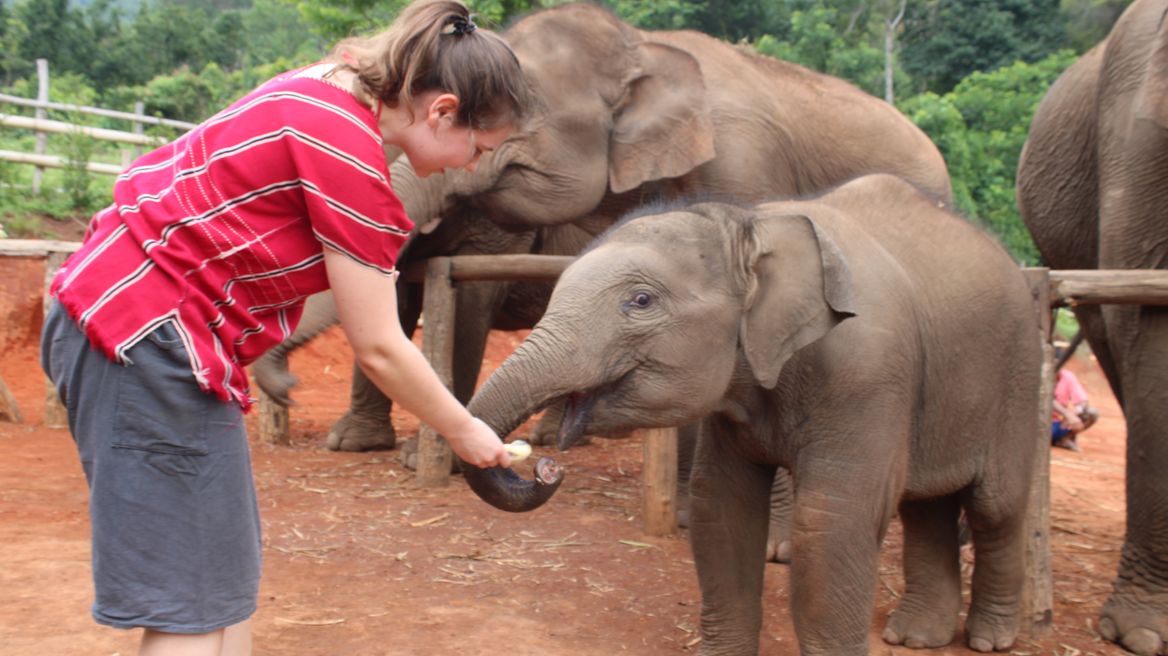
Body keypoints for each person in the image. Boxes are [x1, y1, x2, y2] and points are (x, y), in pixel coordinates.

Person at [39, 2, 533, 653]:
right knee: (190, 609)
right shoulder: (348, 153)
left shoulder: (327, 84)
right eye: (479, 148)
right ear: (442, 110)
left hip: (148, 329)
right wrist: (468, 433)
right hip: (146, 339)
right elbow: (380, 347)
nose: (471, 166)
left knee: (222, 584)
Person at [1051, 367, 1098, 452]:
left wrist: (1076, 411)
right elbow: (1049, 400)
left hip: (1059, 423)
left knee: (1091, 413)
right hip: (1038, 425)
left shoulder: (1067, 376)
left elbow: (1083, 401)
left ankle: (1064, 439)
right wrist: (1067, 414)